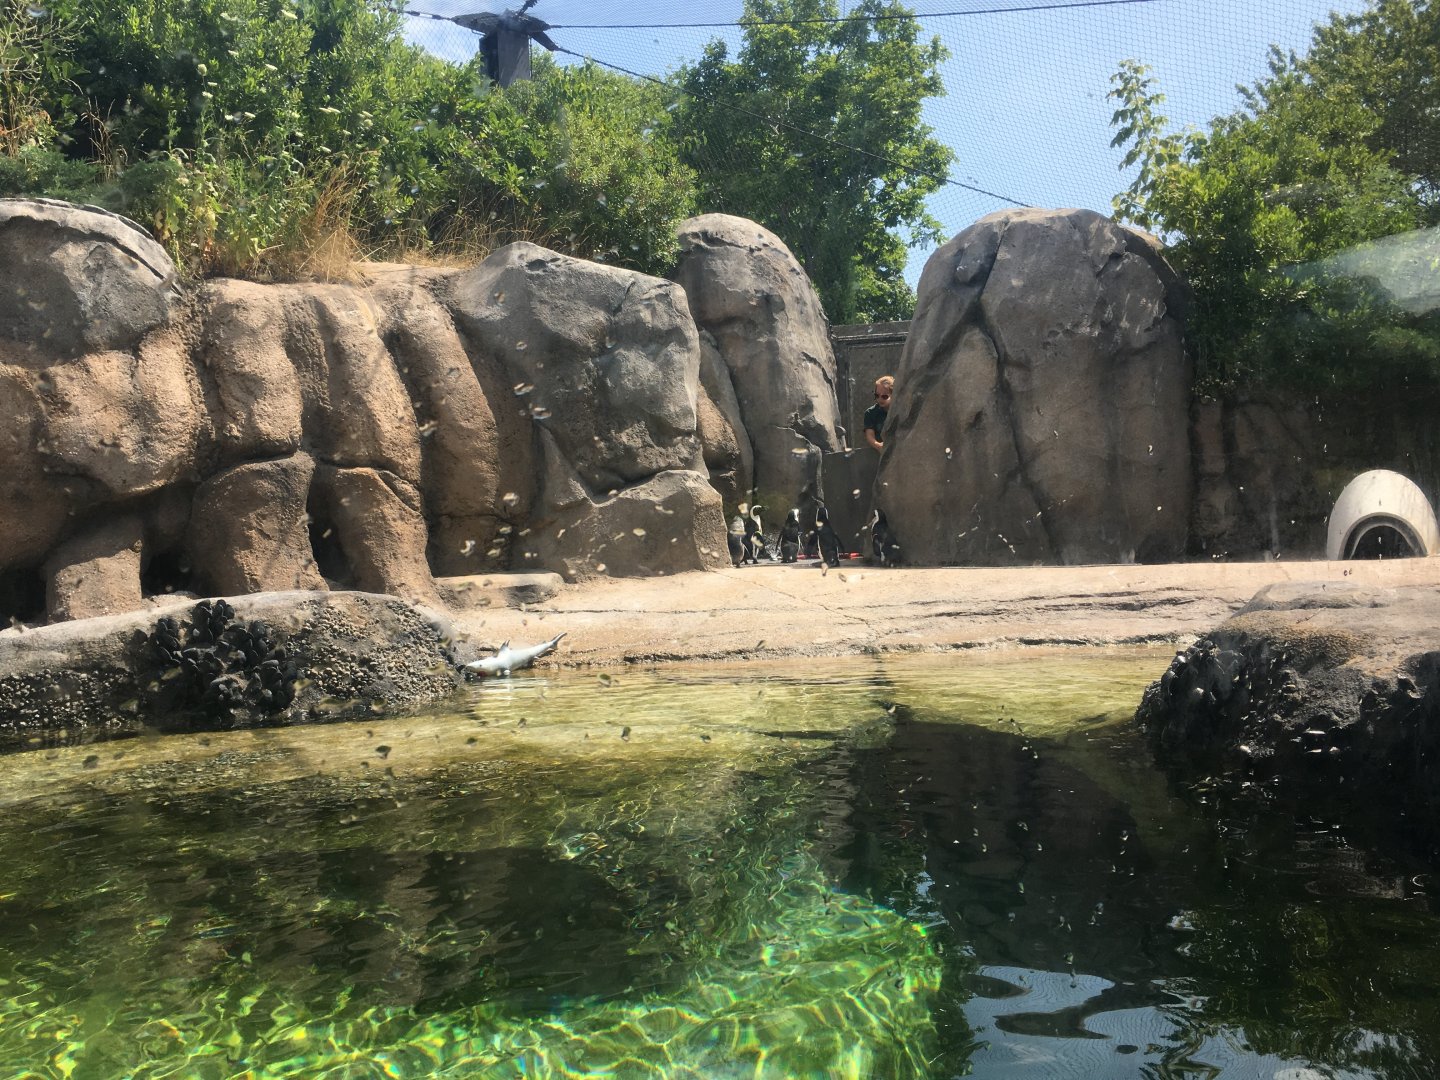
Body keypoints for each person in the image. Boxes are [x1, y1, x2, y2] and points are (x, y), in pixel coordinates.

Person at [864, 375, 893, 452]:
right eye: (877, 395)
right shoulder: (870, 413)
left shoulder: (900, 410)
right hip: (877, 452)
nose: (880, 399)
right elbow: (869, 435)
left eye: (884, 396)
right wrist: (878, 445)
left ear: (893, 395)